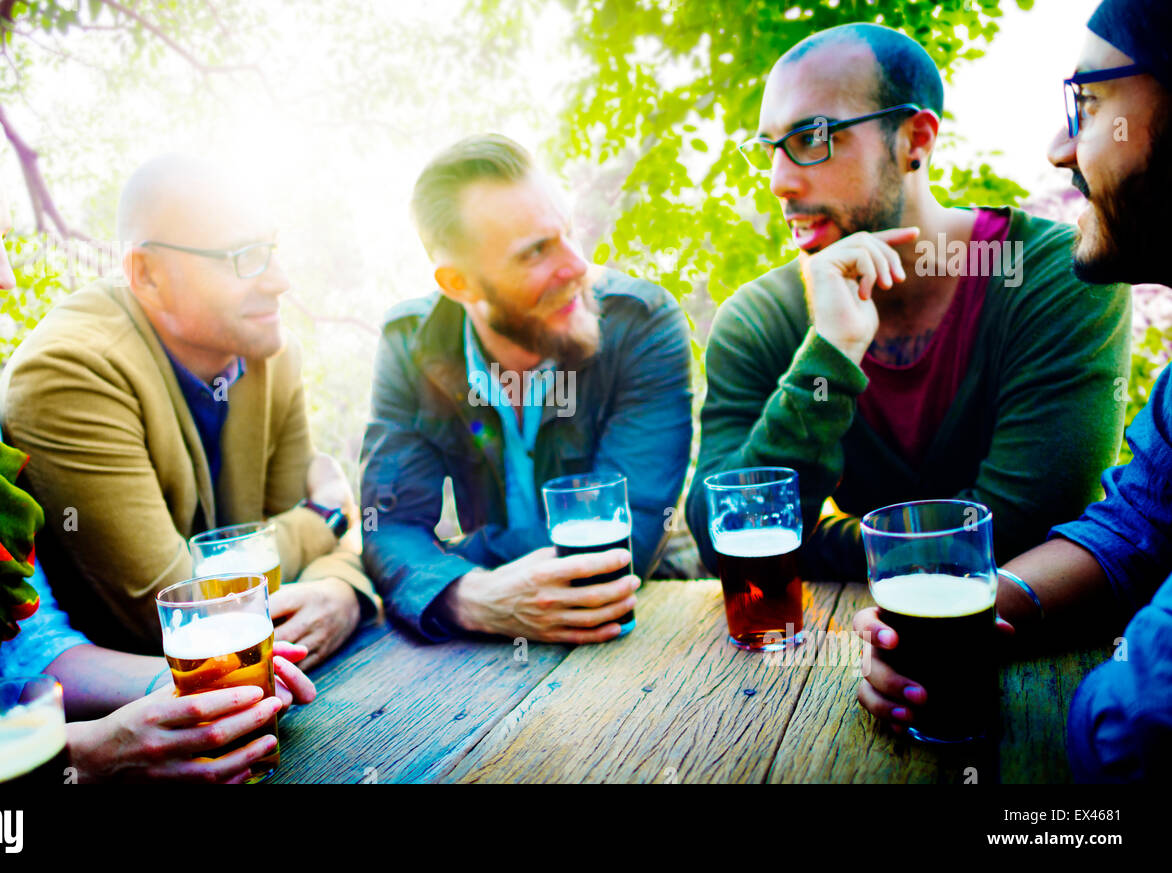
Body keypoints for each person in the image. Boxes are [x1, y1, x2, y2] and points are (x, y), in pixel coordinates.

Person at [0, 71, 315, 783]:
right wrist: (75, 755)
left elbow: (34, 651)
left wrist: (175, 694)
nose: (4, 275)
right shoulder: (72, 369)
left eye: (1, 238)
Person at [684, 23, 1131, 581]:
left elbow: (1029, 526)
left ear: (916, 140)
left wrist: (817, 547)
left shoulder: (1055, 278)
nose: (779, 182)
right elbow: (724, 537)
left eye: (812, 139)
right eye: (771, 150)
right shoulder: (757, 320)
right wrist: (831, 352)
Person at [854, 0, 1172, 782]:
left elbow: (1131, 729)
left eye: (1090, 103)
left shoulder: (1041, 276)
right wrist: (992, 605)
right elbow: (1135, 524)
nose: (1062, 148)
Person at [0, 155, 379, 668]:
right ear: (146, 274)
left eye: (274, 250)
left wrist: (342, 590)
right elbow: (176, 610)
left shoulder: (271, 352)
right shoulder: (69, 371)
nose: (281, 281)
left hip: (265, 684)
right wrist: (326, 516)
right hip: (135, 710)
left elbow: (322, 561)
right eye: (244, 256)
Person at [359, 134, 692, 643]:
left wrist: (454, 573)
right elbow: (391, 523)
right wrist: (470, 598)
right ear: (459, 285)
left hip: (632, 619)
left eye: (568, 233)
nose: (578, 267)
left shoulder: (640, 322)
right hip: (478, 651)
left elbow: (632, 530)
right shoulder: (409, 343)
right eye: (537, 251)